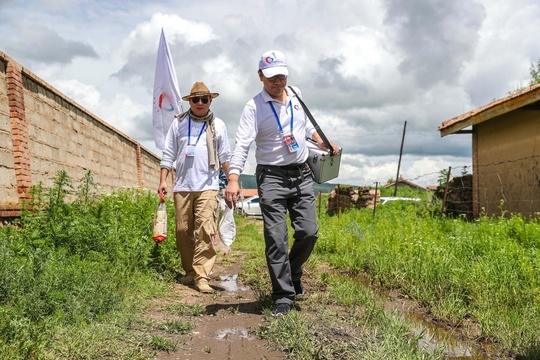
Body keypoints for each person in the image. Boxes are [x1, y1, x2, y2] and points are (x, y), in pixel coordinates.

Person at [224, 50, 340, 315]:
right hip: (271, 177)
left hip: (301, 174)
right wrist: (233, 178)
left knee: (308, 232)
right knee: (276, 238)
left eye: (281, 76)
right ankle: (283, 296)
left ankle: (293, 270)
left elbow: (307, 127)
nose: (278, 82)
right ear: (260, 76)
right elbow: (242, 144)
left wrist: (323, 141)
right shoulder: (254, 107)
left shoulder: (296, 94)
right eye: (271, 77)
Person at [158, 81, 231, 294]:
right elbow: (168, 153)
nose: (200, 103)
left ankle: (202, 276)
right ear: (190, 101)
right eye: (196, 99)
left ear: (210, 101)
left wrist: (232, 182)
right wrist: (163, 180)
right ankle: (190, 270)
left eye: (204, 99)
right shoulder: (178, 123)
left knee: (205, 231)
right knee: (183, 230)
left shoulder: (219, 125)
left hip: (208, 186)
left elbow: (225, 156)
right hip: (182, 185)